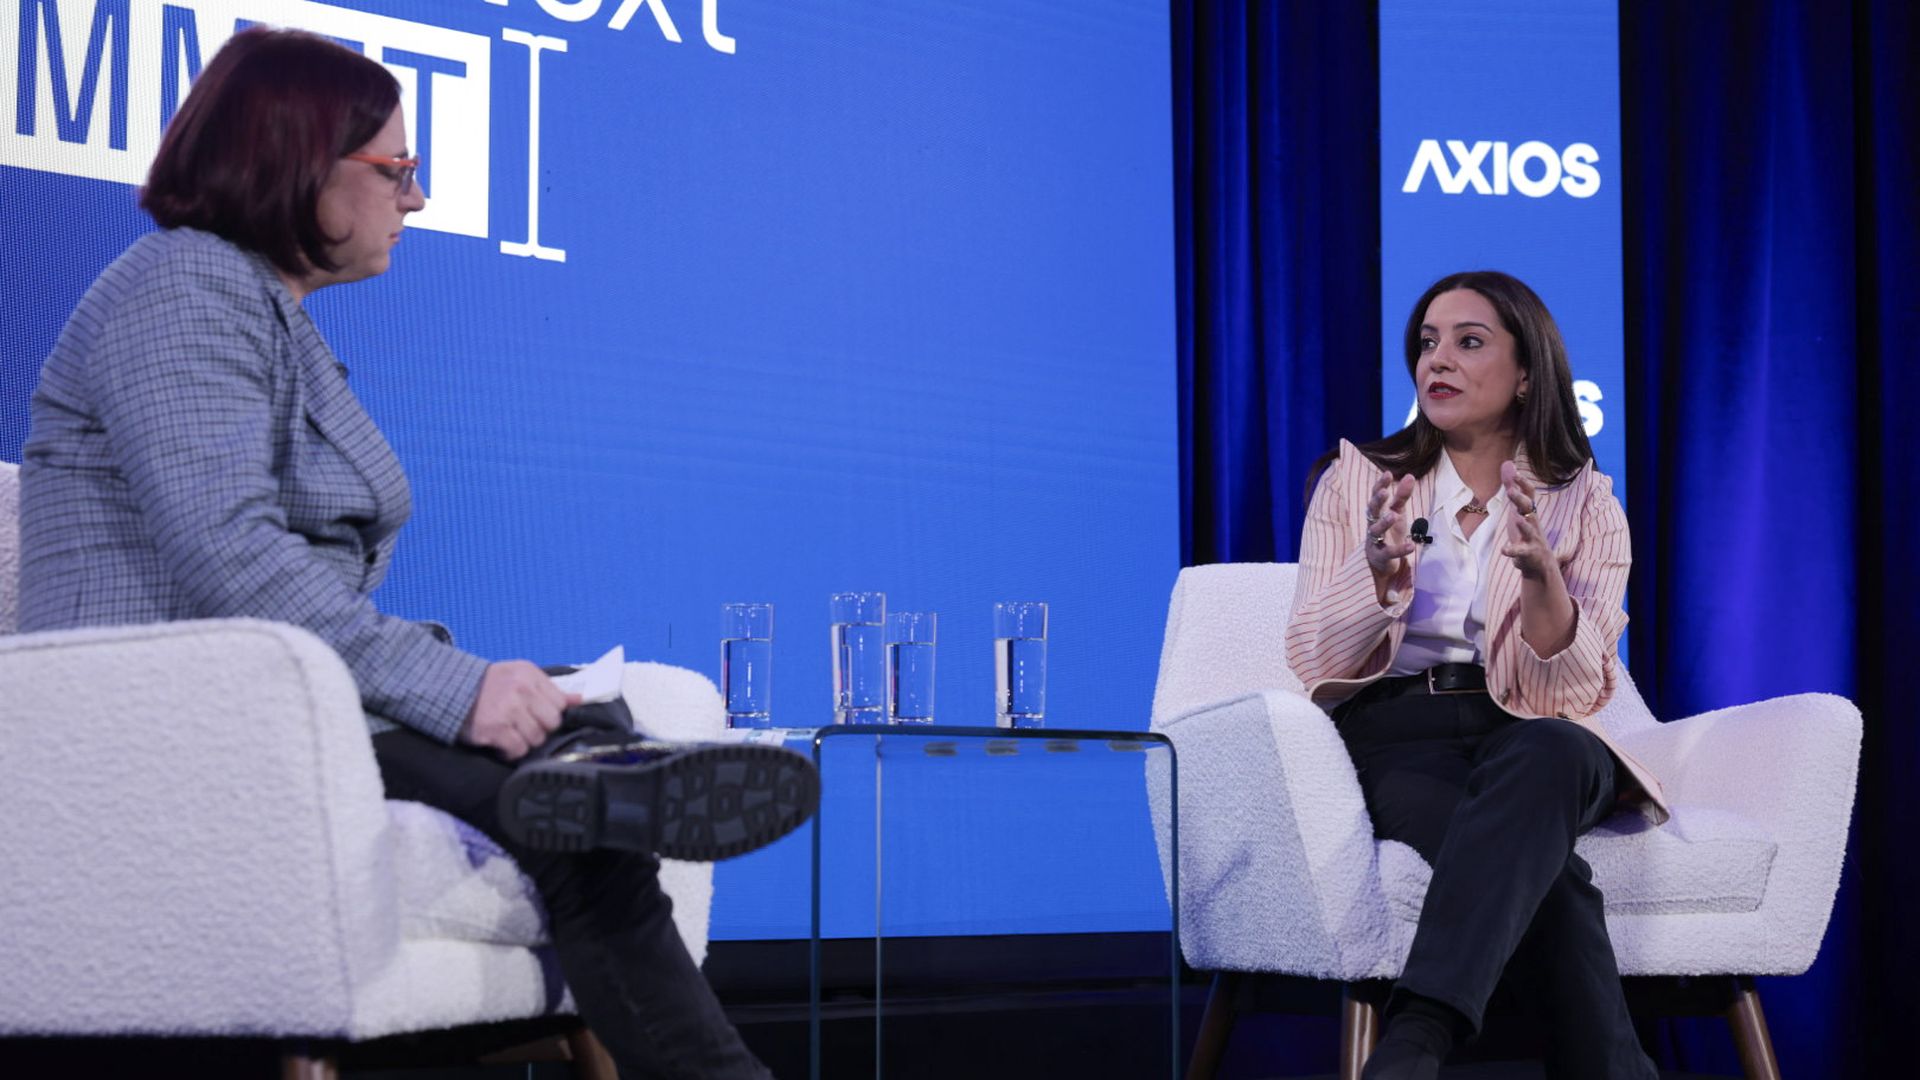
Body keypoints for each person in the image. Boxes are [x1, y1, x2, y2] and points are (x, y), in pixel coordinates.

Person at [16, 28, 815, 1079]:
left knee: (581, 749)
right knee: (569, 782)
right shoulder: (180, 288)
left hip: (273, 692)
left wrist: (481, 690)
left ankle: (603, 767)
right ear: (298, 164)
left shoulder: (261, 310)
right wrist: (458, 689)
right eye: (397, 171)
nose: (418, 198)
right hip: (186, 712)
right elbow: (234, 561)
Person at [1287, 271, 1668, 1080]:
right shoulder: (1357, 479)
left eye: (1469, 341)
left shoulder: (1586, 505)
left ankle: (1417, 1036)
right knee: (1551, 885)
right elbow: (1312, 658)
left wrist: (1541, 586)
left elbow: (1575, 694)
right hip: (1400, 737)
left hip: (1534, 734)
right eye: (1427, 343)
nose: (1439, 361)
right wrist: (1377, 578)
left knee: (1558, 751)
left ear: (1527, 369)